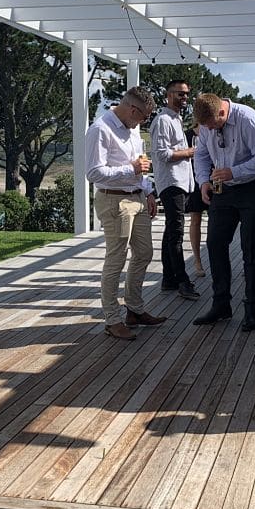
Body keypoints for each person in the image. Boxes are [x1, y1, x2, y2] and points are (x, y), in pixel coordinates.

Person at [85, 86, 164, 340]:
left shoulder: (132, 128)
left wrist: (148, 191)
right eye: (143, 117)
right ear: (132, 109)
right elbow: (93, 173)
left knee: (144, 253)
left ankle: (134, 310)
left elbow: (140, 164)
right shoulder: (100, 129)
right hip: (114, 201)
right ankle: (112, 319)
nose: (143, 122)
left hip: (137, 197)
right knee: (116, 259)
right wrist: (131, 169)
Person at [192, 92, 255, 331]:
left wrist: (234, 172)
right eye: (205, 126)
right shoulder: (206, 124)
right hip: (223, 190)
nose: (208, 129)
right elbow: (201, 155)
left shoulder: (247, 118)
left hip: (253, 189)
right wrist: (203, 181)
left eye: (211, 124)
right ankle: (221, 304)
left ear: (222, 112)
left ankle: (252, 309)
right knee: (215, 244)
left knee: (252, 249)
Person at [150, 80, 200, 300]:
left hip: (180, 182)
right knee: (176, 233)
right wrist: (189, 152)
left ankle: (169, 279)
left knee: (171, 231)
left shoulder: (176, 119)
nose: (185, 97)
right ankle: (182, 280)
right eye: (180, 94)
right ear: (168, 95)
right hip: (171, 183)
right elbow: (161, 153)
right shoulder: (163, 120)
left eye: (187, 94)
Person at [184, 124, 207, 277]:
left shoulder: (214, 131)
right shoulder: (187, 135)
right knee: (195, 219)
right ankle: (197, 260)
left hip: (213, 176)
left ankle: (217, 257)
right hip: (193, 178)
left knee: (217, 220)